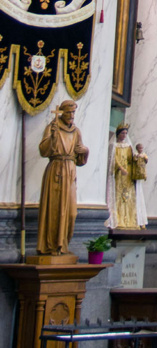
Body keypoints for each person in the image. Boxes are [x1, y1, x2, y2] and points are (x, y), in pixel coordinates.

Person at [37, 99, 88, 255]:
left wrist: (84, 151)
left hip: (70, 172)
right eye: (68, 112)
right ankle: (52, 246)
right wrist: (52, 137)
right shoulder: (53, 128)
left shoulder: (76, 131)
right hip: (56, 171)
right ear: (62, 113)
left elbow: (80, 158)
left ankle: (64, 243)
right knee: (54, 210)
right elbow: (43, 151)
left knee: (71, 212)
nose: (72, 115)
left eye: (73, 112)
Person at [106, 125, 148, 229]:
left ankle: (130, 221)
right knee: (119, 196)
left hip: (128, 175)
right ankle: (118, 220)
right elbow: (113, 159)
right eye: (122, 133)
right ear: (118, 134)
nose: (124, 135)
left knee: (129, 197)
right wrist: (120, 168)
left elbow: (131, 159)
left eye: (125, 133)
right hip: (119, 175)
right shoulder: (113, 145)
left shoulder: (128, 146)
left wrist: (140, 158)